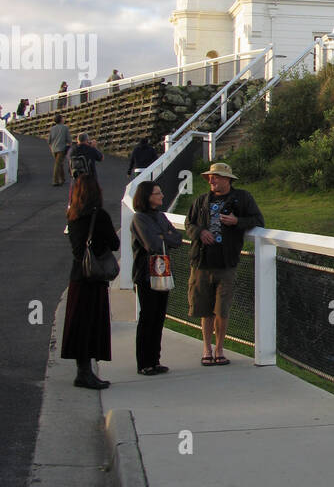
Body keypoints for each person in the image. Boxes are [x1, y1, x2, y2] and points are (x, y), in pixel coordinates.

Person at [185, 162, 264, 366]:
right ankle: (206, 348)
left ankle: (220, 348)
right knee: (204, 308)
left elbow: (258, 220)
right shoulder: (201, 201)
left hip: (226, 263)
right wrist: (200, 232)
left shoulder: (242, 198)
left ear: (228, 180)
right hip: (202, 262)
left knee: (222, 309)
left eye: (217, 177)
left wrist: (236, 222)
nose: (212, 180)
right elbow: (189, 223)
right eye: (211, 177)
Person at [61, 173, 119, 390]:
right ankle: (86, 374)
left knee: (80, 325)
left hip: (78, 276)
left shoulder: (73, 215)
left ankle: (82, 371)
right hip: (94, 279)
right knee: (92, 324)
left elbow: (77, 250)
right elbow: (114, 244)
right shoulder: (100, 216)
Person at [131, 181, 183, 376]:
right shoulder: (139, 218)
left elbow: (177, 239)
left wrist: (163, 236)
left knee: (159, 317)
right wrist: (163, 236)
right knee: (148, 317)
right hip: (145, 275)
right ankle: (144, 362)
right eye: (157, 193)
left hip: (162, 273)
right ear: (147, 196)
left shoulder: (160, 216)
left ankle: (155, 360)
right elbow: (151, 243)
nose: (162, 196)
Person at [47, 112, 72, 186]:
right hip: (61, 148)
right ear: (61, 120)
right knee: (58, 164)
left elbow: (49, 140)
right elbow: (69, 140)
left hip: (53, 148)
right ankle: (55, 180)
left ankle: (63, 178)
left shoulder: (52, 128)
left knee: (59, 163)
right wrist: (70, 146)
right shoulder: (65, 127)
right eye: (63, 118)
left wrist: (51, 147)